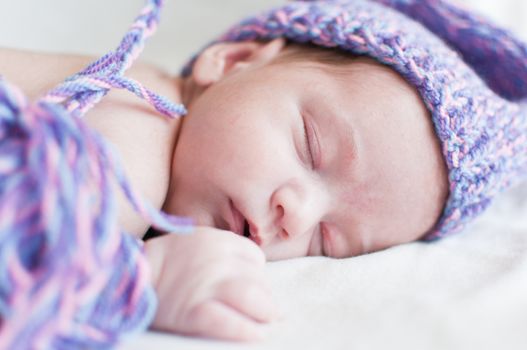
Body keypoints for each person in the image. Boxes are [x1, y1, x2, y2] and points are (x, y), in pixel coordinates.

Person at [1, 0, 526, 346]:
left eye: (329, 241)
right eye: (311, 147)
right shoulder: (142, 124)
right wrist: (146, 277)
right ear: (233, 60)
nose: (295, 215)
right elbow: (32, 253)